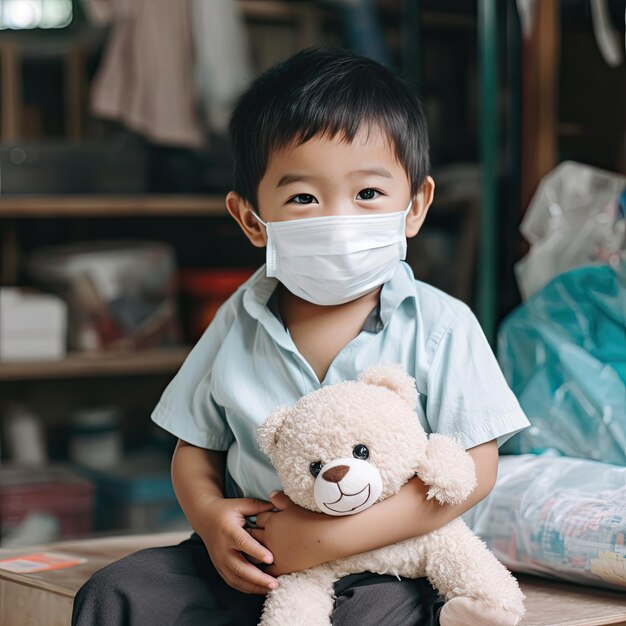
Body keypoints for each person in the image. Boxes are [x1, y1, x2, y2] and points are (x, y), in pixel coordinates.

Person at [72, 47, 529, 626]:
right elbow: (196, 448)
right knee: (117, 592)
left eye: (368, 194)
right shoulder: (237, 320)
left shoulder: (441, 325)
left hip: (387, 564)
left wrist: (320, 542)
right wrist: (213, 522)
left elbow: (474, 470)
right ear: (251, 220)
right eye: (304, 198)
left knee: (375, 618)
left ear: (414, 207)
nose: (339, 220)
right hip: (257, 559)